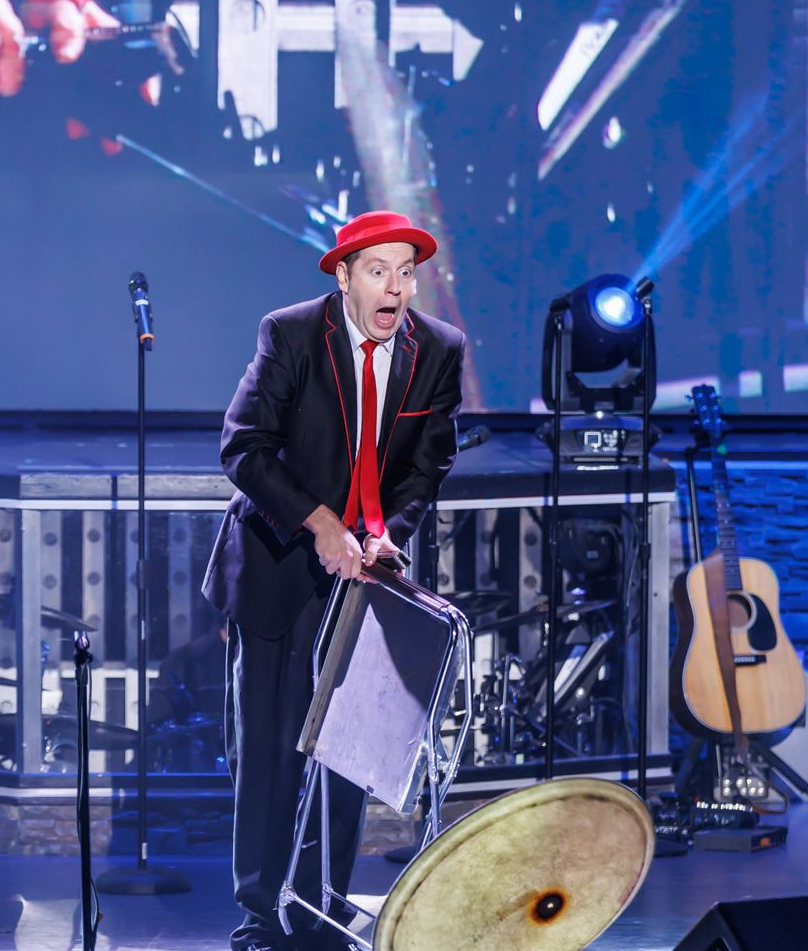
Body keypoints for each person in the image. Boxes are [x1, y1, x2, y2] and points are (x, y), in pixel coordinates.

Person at [202, 210, 465, 951]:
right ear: (344, 276)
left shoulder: (438, 350)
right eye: (378, 270)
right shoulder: (290, 335)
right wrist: (320, 523)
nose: (395, 287)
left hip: (367, 578)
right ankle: (261, 917)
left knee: (348, 752)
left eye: (406, 272)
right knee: (272, 750)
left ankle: (319, 909)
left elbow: (427, 463)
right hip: (279, 566)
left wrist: (386, 534)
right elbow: (244, 448)